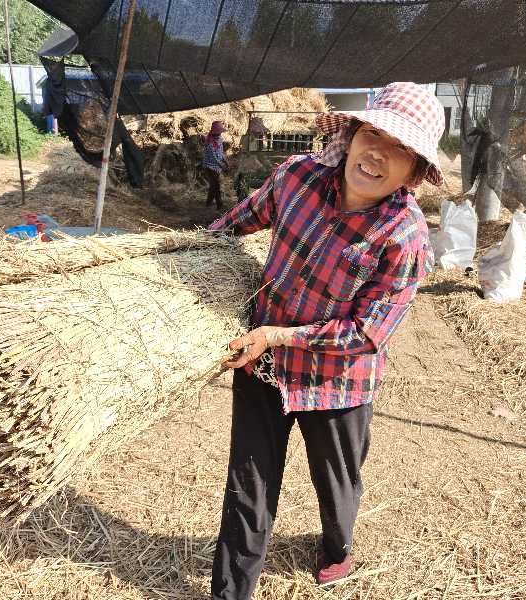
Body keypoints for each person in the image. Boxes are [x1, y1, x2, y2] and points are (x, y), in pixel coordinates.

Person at [208, 82, 445, 599]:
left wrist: (276, 334)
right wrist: (179, 258)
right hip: (263, 365)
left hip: (337, 383)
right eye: (373, 132)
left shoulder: (405, 237)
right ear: (353, 133)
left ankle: (337, 548)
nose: (378, 152)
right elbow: (233, 225)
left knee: (337, 486)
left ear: (416, 170)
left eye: (400, 147)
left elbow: (366, 333)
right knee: (249, 486)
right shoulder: (296, 178)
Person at [203, 120, 229, 208]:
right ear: (214, 133)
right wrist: (222, 165)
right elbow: (214, 158)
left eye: (220, 133)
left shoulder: (220, 140)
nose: (219, 134)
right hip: (210, 166)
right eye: (218, 133)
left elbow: (221, 153)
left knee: (213, 186)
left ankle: (208, 203)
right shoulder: (209, 142)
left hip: (217, 167)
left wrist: (225, 161)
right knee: (216, 186)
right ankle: (219, 204)